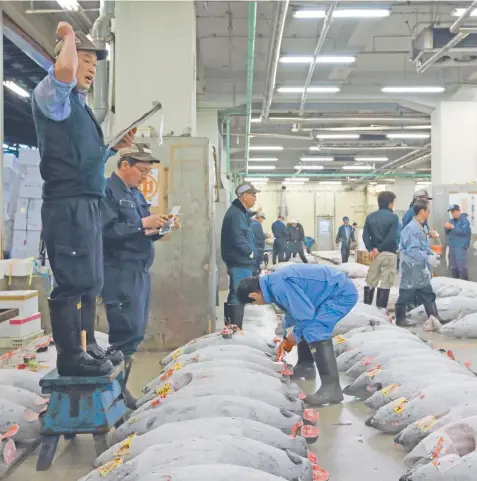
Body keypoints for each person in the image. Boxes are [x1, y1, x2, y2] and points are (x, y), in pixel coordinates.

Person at [32, 23, 135, 377]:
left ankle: (88, 344)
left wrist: (111, 149)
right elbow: (63, 71)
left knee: (91, 279)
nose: (91, 68)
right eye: (85, 59)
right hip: (67, 203)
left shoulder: (79, 105)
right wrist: (68, 37)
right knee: (73, 279)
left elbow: (80, 156)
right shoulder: (52, 95)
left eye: (94, 62)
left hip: (87, 201)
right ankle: (70, 355)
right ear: (65, 57)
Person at [101, 145, 179, 407]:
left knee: (135, 332)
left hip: (139, 270)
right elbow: (105, 232)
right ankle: (114, 396)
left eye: (148, 172)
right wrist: (142, 223)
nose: (145, 176)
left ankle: (120, 393)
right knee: (124, 332)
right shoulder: (106, 191)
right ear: (124, 165)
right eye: (142, 171)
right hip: (119, 271)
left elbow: (141, 232)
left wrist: (161, 227)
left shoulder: (134, 193)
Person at [237, 264, 358, 404]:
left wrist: (291, 339)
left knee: (314, 329)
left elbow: (305, 316)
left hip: (341, 294)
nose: (259, 305)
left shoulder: (279, 285)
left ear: (254, 295)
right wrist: (284, 333)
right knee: (304, 327)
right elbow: (293, 311)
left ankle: (332, 389)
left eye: (256, 303)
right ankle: (305, 366)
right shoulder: (274, 284)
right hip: (328, 294)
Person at [395, 199, 441, 327]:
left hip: (420, 267)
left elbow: (422, 245)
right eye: (428, 210)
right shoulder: (411, 228)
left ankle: (434, 317)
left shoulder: (421, 226)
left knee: (427, 292)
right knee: (406, 293)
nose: (429, 213)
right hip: (411, 267)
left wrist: (431, 253)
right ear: (422, 211)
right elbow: (412, 251)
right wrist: (427, 258)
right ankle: (400, 319)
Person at [221, 182, 259, 328]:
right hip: (239, 261)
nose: (255, 198)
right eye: (253, 194)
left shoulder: (239, 212)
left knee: (236, 293)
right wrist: (249, 252)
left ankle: (233, 329)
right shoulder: (236, 214)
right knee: (238, 293)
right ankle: (234, 330)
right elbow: (238, 237)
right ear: (244, 196)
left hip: (240, 260)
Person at [362, 191, 400, 310]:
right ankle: (381, 311)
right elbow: (391, 237)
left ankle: (367, 309)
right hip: (388, 253)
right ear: (390, 204)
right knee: (386, 282)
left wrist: (371, 249)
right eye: (393, 202)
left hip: (374, 254)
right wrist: (380, 249)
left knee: (371, 281)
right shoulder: (393, 217)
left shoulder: (370, 217)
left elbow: (365, 235)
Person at [445, 204, 471, 280]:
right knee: (453, 267)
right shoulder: (451, 220)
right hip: (452, 246)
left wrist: (452, 227)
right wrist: (446, 227)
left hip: (460, 247)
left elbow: (464, 232)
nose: (453, 214)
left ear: (459, 211)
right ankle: (455, 285)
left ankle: (466, 286)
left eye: (454, 212)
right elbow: (447, 233)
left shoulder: (464, 220)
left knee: (462, 268)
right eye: (451, 212)